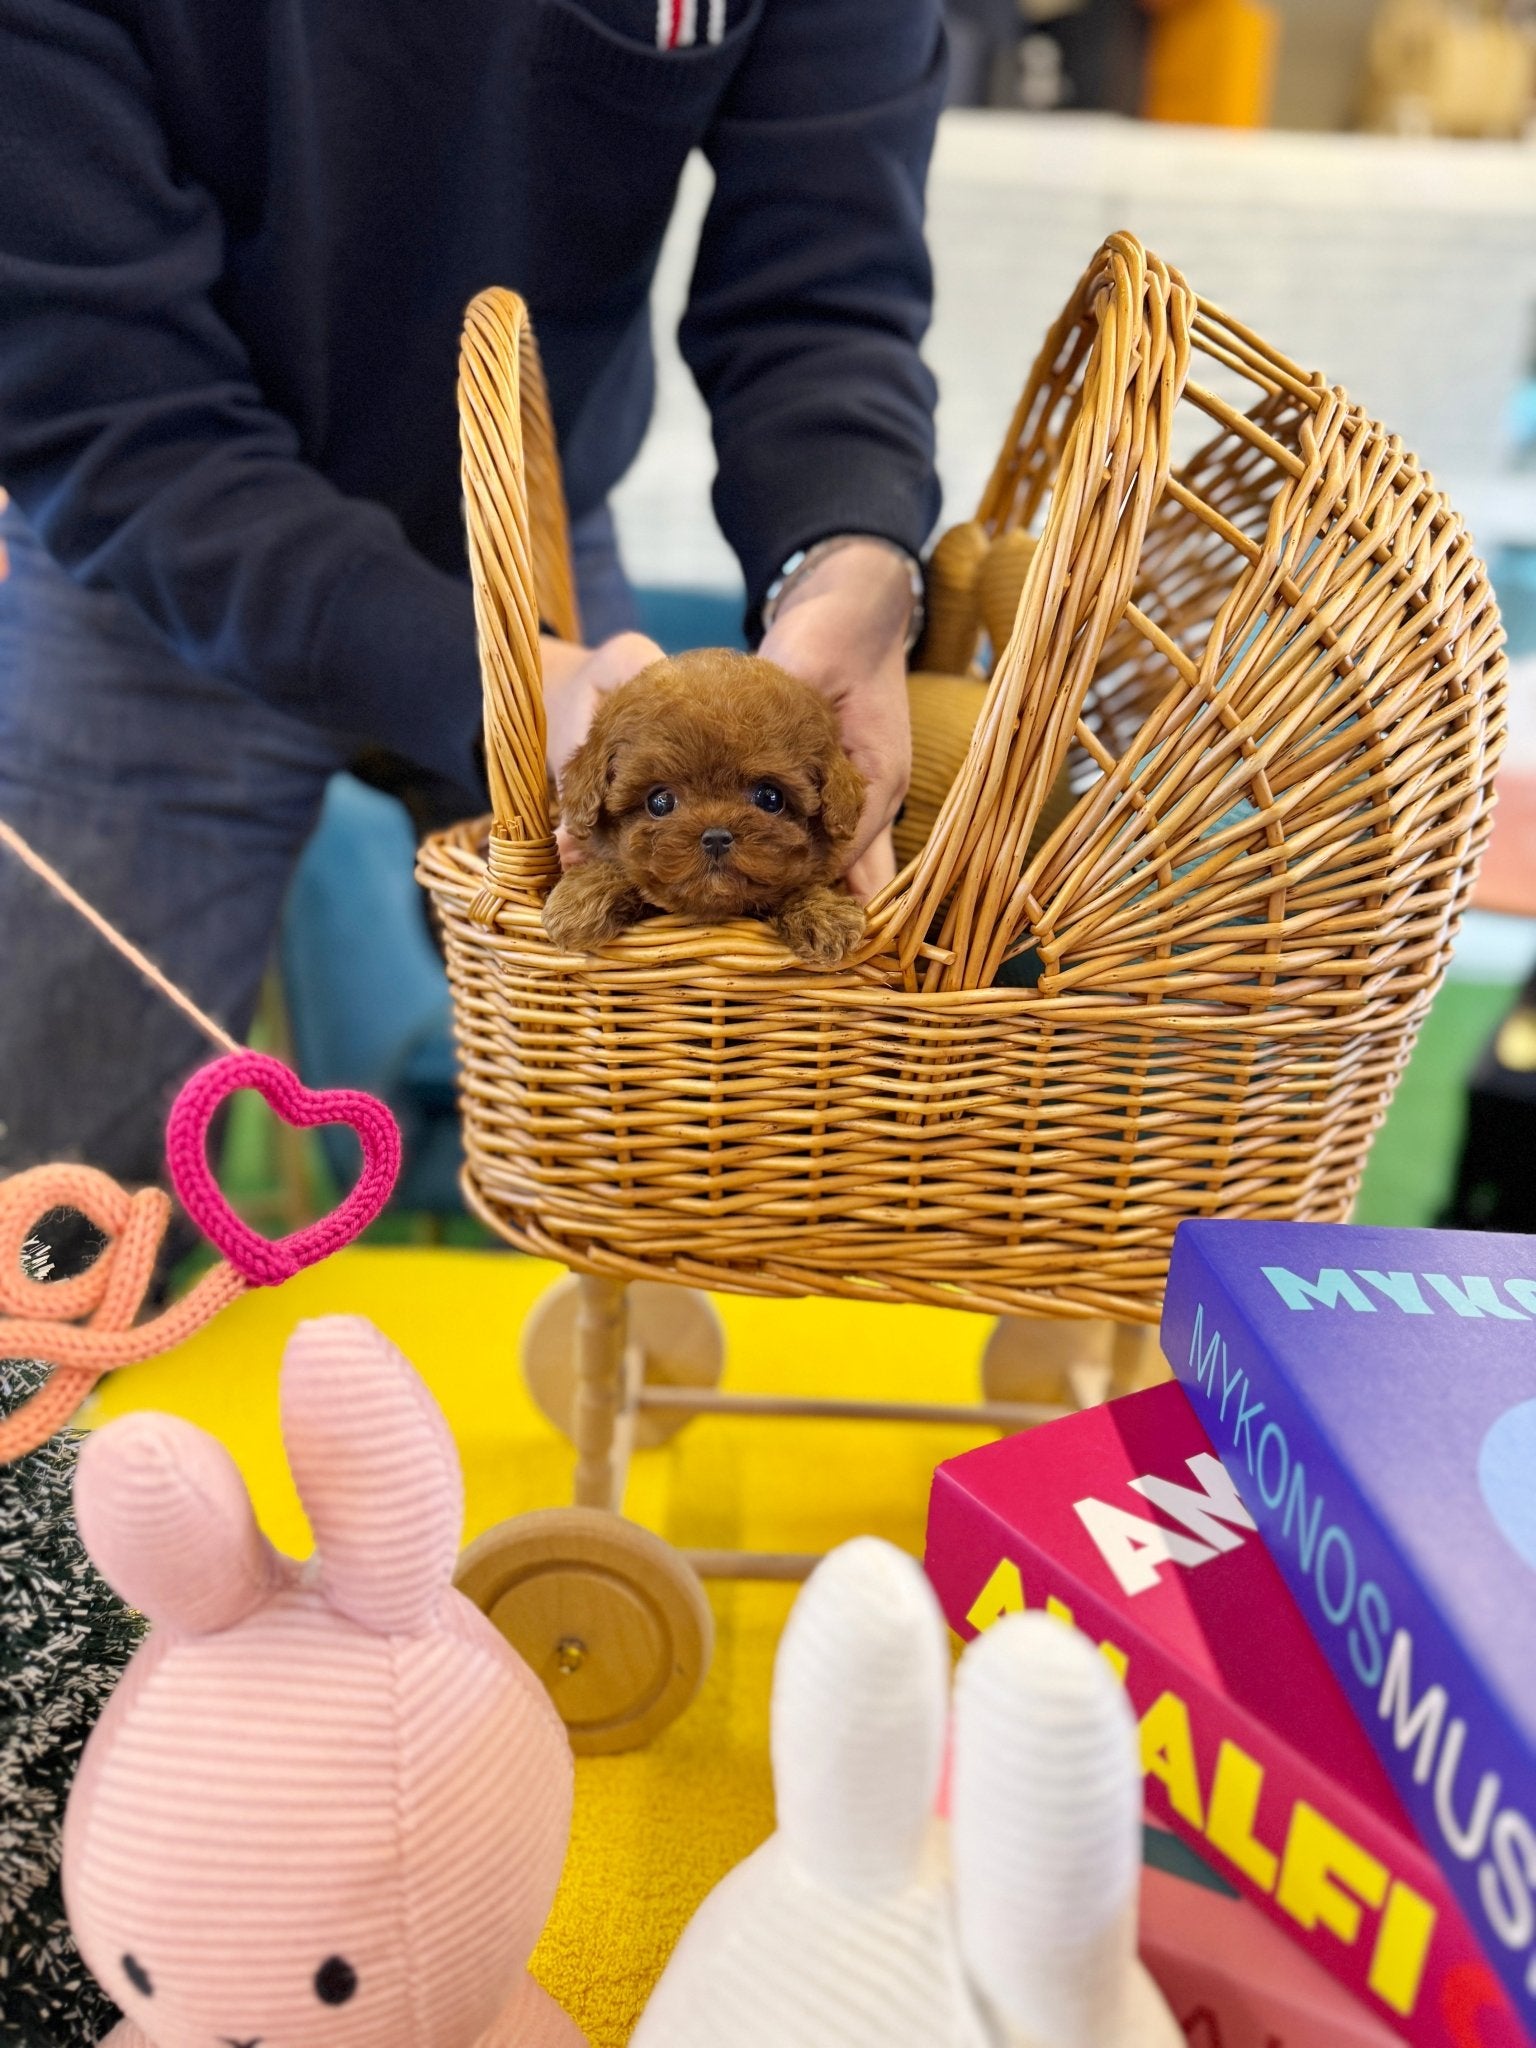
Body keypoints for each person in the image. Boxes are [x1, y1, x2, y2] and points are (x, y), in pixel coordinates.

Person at [0, 0, 946, 1202]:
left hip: (537, 546)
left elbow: (824, 288)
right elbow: (108, 404)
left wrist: (853, 558)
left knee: (663, 1176)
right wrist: (497, 681)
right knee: (45, 1212)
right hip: (154, 564)